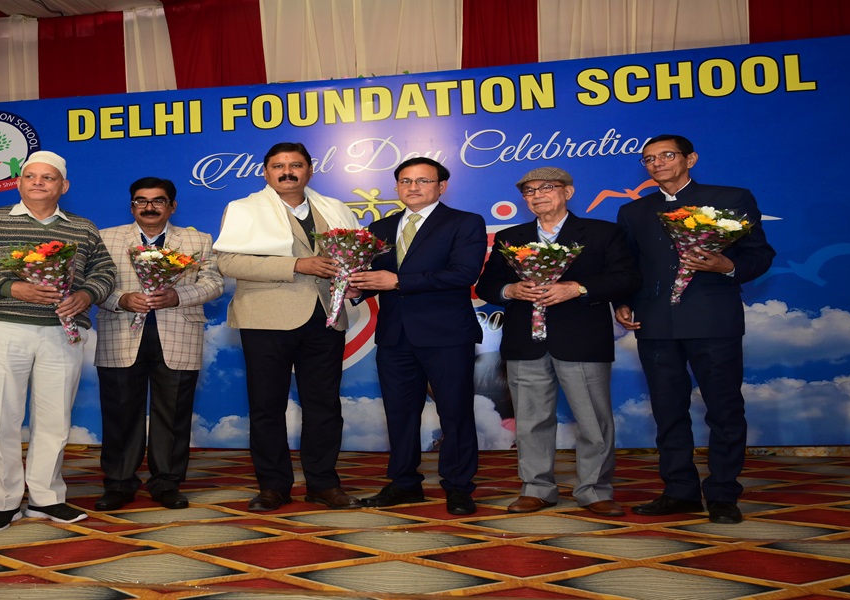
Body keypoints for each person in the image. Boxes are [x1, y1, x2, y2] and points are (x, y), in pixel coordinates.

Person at [0, 150, 116, 531]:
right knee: (1, 420)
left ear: (64, 186)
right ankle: (4, 502)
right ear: (19, 182)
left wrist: (86, 295)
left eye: (48, 177)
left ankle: (46, 498)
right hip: (1, 326)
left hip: (63, 330)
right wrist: (12, 288)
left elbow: (105, 272)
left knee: (55, 420)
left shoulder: (83, 228)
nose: (38, 182)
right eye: (30, 176)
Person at [614, 135, 775, 524]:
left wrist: (728, 267)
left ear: (690, 159)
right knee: (667, 411)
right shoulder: (633, 211)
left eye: (667, 155)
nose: (657, 163)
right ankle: (679, 490)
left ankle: (723, 493)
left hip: (713, 319)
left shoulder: (731, 198)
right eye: (648, 159)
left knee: (723, 409)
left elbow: (760, 254)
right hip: (654, 323)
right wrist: (622, 301)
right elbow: (628, 266)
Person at [475, 166, 640, 517]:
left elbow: (626, 278)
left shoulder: (602, 233)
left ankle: (595, 490)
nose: (537, 195)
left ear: (568, 191)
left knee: (593, 421)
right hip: (524, 341)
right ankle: (536, 488)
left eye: (546, 187)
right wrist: (510, 290)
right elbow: (487, 285)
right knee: (530, 420)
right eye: (529, 191)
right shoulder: (510, 237)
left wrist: (577, 288)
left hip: (582, 339)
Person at [214, 142, 362, 512]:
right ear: (265, 172)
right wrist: (296, 265)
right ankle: (273, 486)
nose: (287, 172)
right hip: (265, 318)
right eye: (278, 166)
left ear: (310, 170)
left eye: (295, 165)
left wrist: (354, 281)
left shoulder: (336, 208)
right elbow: (228, 263)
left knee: (324, 405)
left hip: (326, 317)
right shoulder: (243, 209)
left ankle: (323, 484)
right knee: (267, 406)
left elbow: (353, 257)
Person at [348, 157, 487, 515]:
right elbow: (375, 276)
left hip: (447, 334)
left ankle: (458, 486)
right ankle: (404, 484)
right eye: (406, 181)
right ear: (397, 187)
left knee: (455, 412)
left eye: (423, 181)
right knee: (399, 414)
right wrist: (357, 290)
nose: (413, 187)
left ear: (442, 187)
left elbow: (464, 273)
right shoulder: (380, 227)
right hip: (394, 335)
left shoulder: (464, 222)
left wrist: (398, 281)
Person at [93, 177, 223, 511]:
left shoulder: (197, 240)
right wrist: (122, 299)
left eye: (158, 201)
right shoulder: (105, 238)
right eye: (141, 201)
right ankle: (119, 483)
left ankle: (167, 482)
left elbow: (214, 283)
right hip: (119, 334)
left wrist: (178, 295)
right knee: (120, 413)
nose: (149, 207)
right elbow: (91, 284)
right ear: (131, 206)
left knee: (173, 414)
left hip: (179, 334)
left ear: (172, 206)